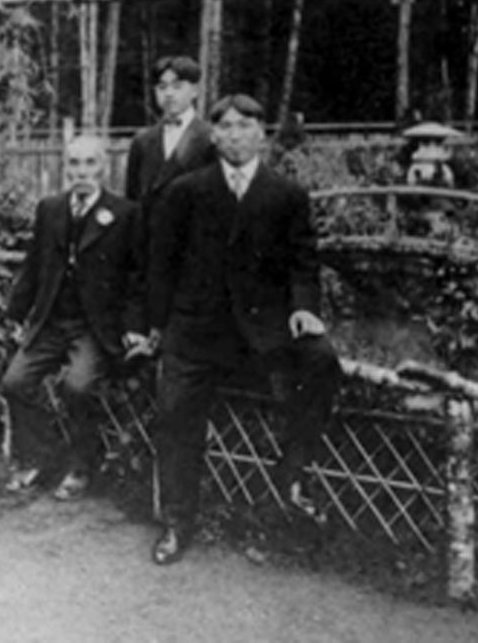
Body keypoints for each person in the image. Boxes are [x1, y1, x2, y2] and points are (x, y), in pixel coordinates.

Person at [142, 93, 341, 566]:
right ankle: (176, 521)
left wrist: (304, 308)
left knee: (321, 362)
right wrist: (156, 326)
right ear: (213, 135)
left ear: (261, 134)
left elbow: (302, 262)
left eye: (244, 126)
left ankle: (292, 475)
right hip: (196, 331)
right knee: (175, 414)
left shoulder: (286, 195)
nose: (234, 135)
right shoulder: (187, 192)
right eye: (225, 127)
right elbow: (161, 266)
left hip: (261, 331)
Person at [0, 134, 141, 501]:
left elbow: (135, 278)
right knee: (14, 382)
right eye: (75, 164)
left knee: (76, 386)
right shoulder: (51, 209)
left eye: (90, 163)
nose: (82, 172)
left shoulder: (124, 213)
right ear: (66, 168)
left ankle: (82, 464)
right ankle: (40, 455)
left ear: (104, 167)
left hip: (94, 328)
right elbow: (34, 267)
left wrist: (132, 328)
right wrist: (15, 313)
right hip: (51, 321)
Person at [124, 54, 217, 211]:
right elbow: (132, 199)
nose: (168, 93)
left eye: (177, 86)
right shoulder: (142, 141)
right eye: (162, 87)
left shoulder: (210, 138)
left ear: (195, 91)